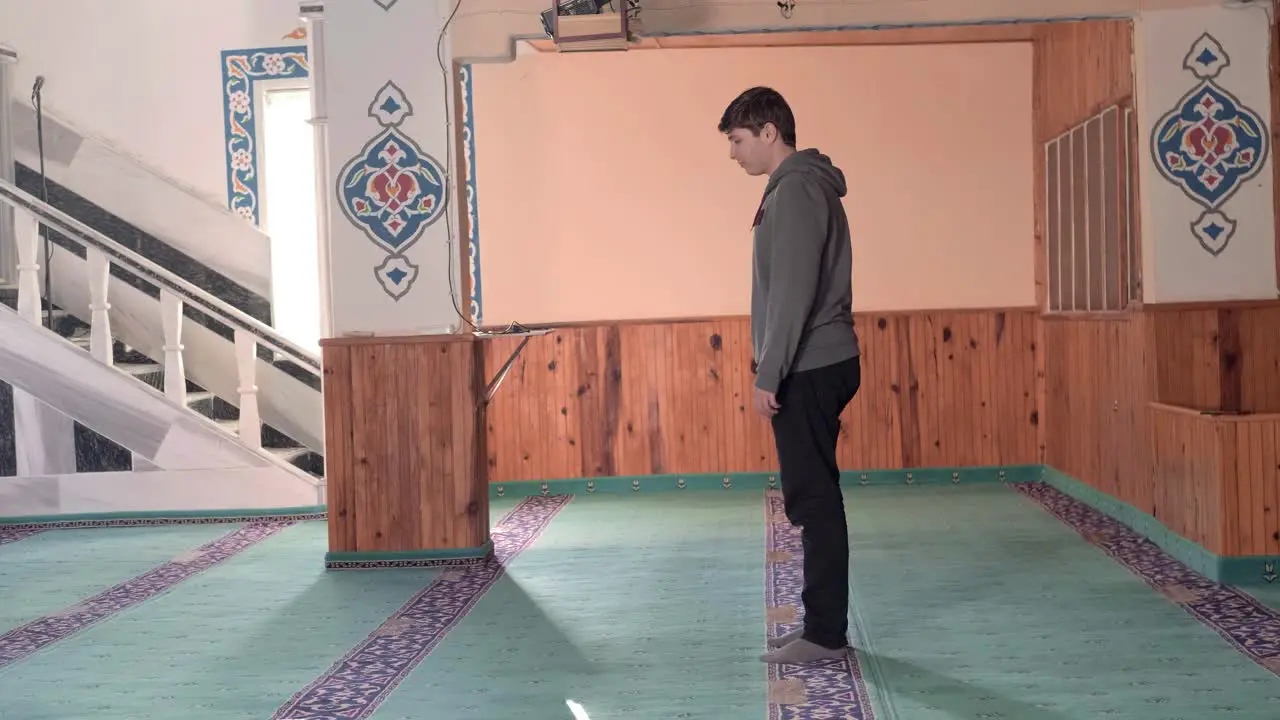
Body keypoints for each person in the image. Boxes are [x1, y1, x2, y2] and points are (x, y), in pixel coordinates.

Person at [718, 86, 862, 665]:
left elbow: (794, 291)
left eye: (737, 139)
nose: (734, 153)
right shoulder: (795, 187)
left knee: (813, 501)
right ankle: (820, 626)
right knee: (813, 498)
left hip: (810, 363)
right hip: (816, 360)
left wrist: (768, 373)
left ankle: (825, 635)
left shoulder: (798, 189)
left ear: (769, 131)